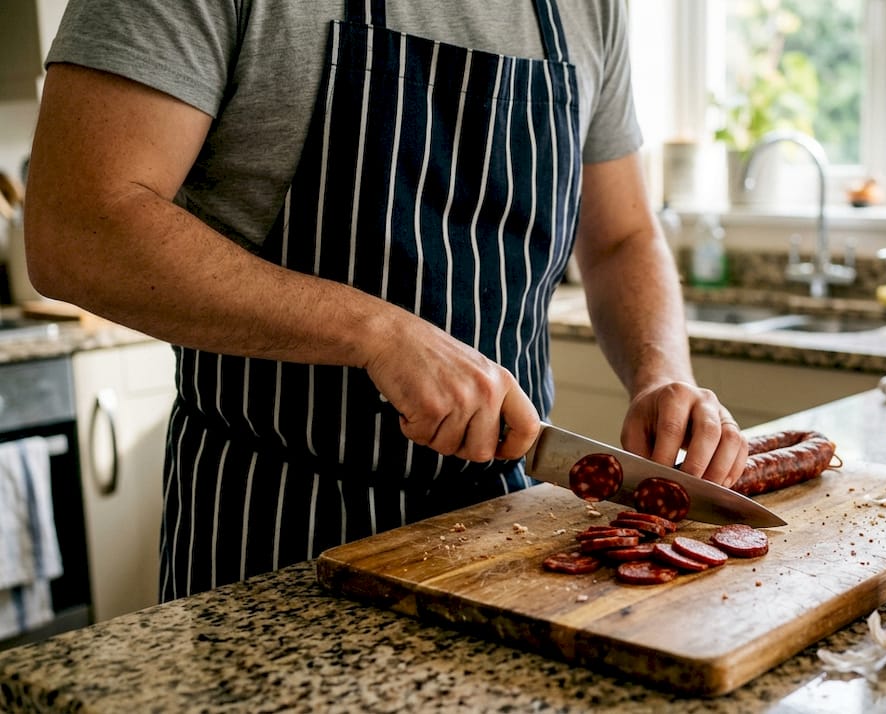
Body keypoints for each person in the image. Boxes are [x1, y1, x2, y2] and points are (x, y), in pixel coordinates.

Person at [24, 0, 749, 601]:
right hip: (274, 536)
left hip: (504, 529)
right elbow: (77, 228)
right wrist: (376, 332)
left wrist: (661, 373)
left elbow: (621, 235)